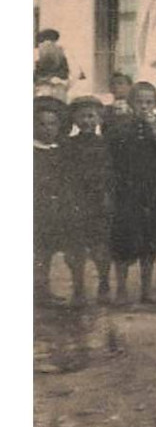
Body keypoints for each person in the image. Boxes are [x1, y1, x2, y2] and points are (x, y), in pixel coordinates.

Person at [106, 82, 156, 305]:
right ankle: (122, 289)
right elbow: (113, 159)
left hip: (151, 193)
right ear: (131, 103)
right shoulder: (120, 128)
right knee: (123, 241)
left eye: (149, 102)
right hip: (127, 192)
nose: (144, 107)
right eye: (139, 102)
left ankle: (146, 289)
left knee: (149, 241)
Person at [59, 96, 113, 305]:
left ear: (99, 118)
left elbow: (111, 175)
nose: (87, 121)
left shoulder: (105, 144)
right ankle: (79, 286)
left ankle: (104, 282)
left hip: (99, 202)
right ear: (73, 119)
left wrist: (108, 196)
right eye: (82, 116)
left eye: (91, 116)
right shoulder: (68, 145)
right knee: (75, 248)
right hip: (76, 201)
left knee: (100, 246)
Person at [34, 97, 71, 306]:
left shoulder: (61, 150)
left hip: (54, 209)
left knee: (46, 252)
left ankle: (42, 290)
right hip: (35, 208)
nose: (47, 129)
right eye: (41, 124)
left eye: (52, 124)